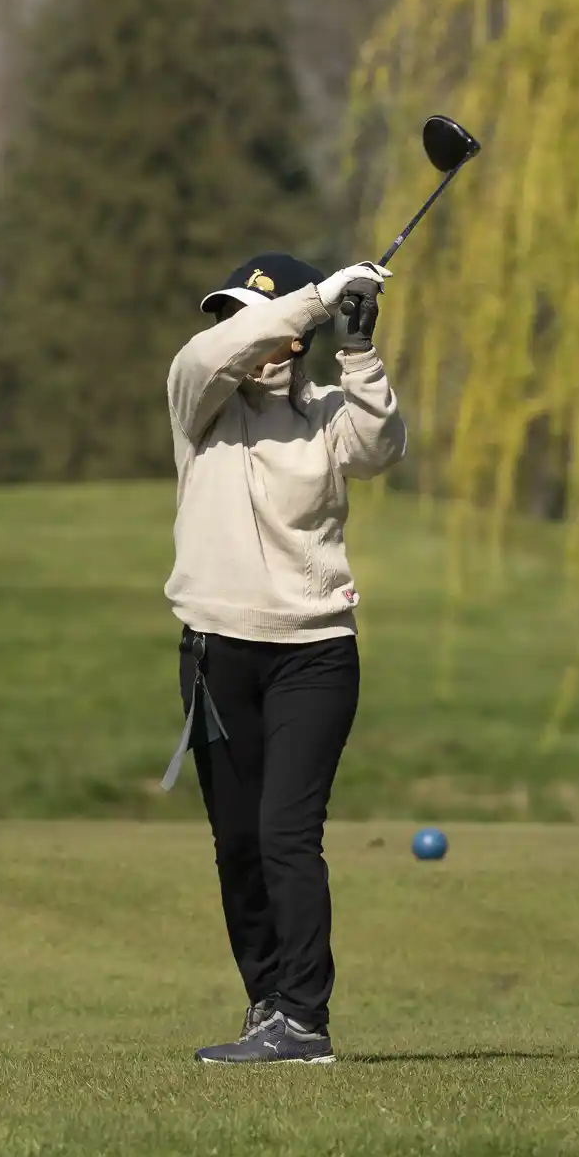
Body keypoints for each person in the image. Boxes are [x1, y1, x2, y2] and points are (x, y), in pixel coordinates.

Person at [161, 252, 406, 1065]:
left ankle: (303, 1019)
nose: (237, 329)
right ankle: (266, 1000)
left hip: (314, 654)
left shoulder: (327, 411)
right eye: (231, 315)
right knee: (237, 842)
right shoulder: (200, 403)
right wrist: (318, 297)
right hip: (216, 654)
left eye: (251, 315)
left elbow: (380, 447)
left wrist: (359, 350)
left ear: (296, 339)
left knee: (286, 833)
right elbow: (207, 356)